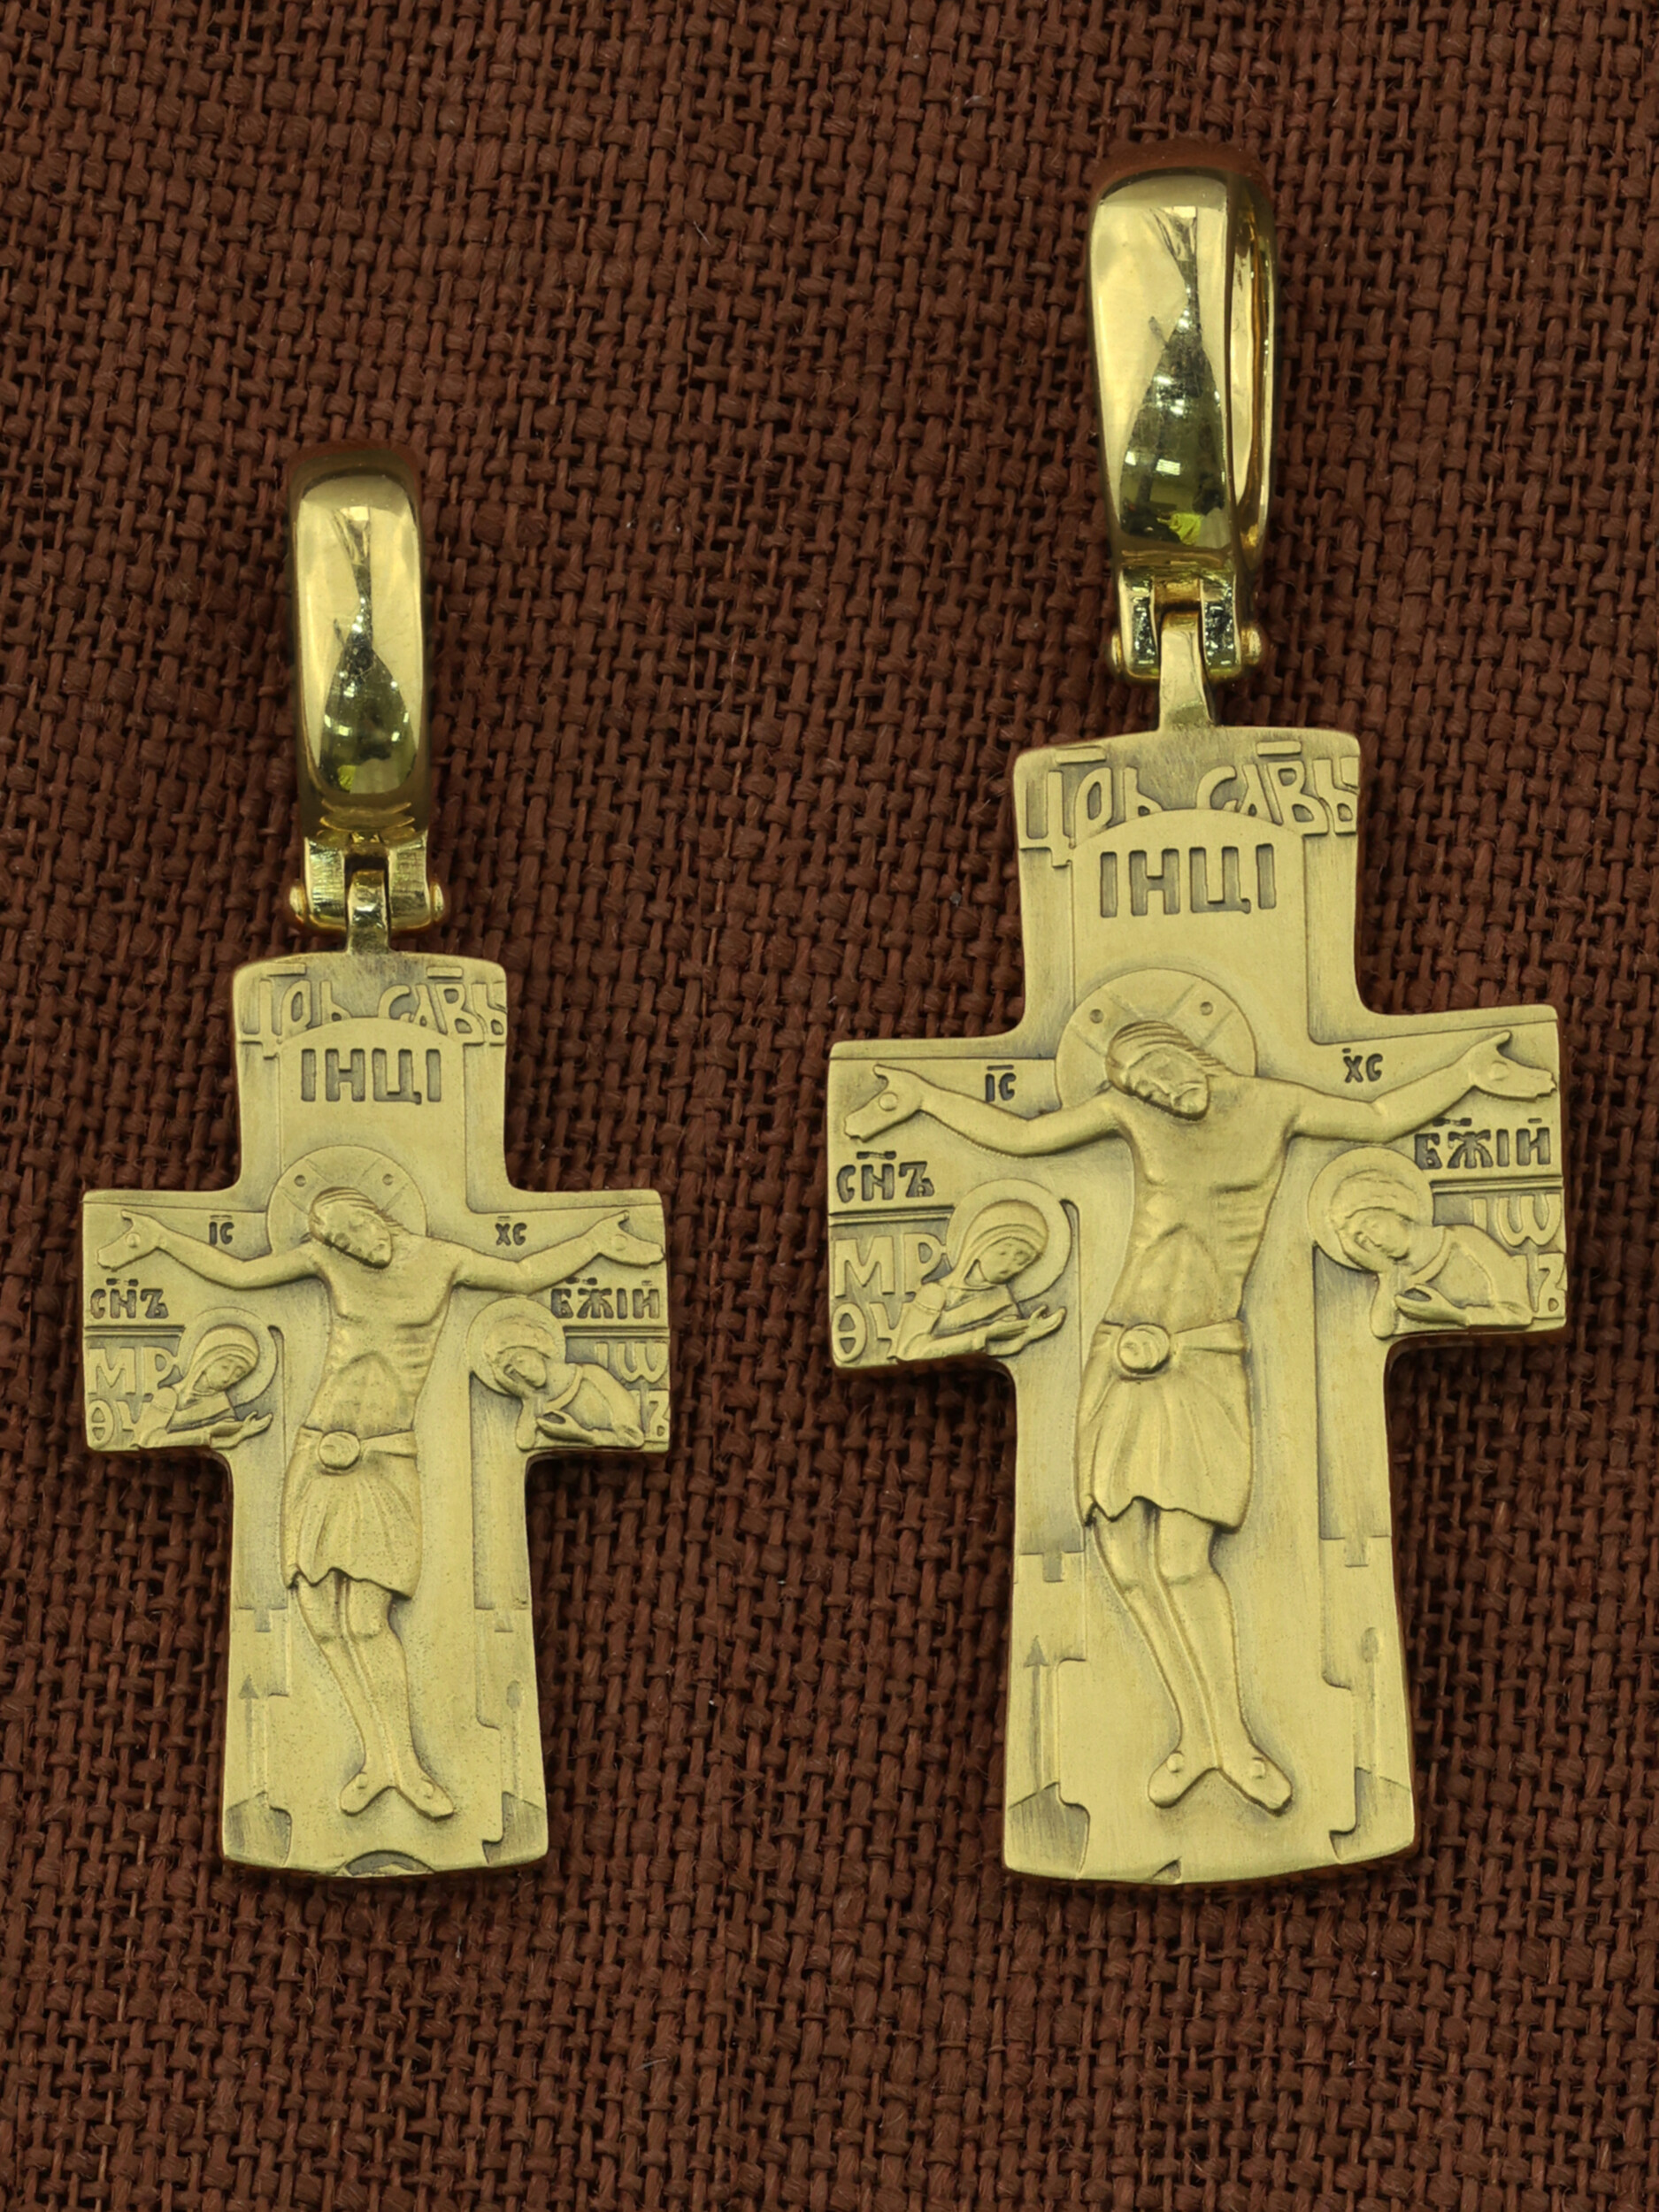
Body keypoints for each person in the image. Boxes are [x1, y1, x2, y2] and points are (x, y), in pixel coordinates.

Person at [847, 1021, 1554, 1813]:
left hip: (1204, 1353)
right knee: (1123, 1562)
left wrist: (1467, 1073)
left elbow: (1382, 1114)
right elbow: (1020, 1136)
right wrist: (925, 1098)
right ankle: (1195, 1738)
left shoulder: (1273, 1105)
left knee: (1182, 1560)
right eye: (1139, 1085)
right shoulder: (1128, 1113)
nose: (1156, 1090)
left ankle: (1235, 1741)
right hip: (1121, 1351)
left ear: (1189, 1050)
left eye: (1157, 1069)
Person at [96, 1189, 659, 1819]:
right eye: (337, 1241)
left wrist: (595, 1243)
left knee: (366, 1618)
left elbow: (526, 1272)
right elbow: (239, 1273)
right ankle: (376, 1760)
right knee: (321, 1618)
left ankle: (408, 1766)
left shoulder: (442, 1261)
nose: (352, 1247)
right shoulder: (328, 1262)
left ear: (372, 1213)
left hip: (385, 1457)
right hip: (318, 1450)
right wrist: (162, 1239)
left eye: (352, 1231)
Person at [1325, 1164, 1532, 1337]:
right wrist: (1385, 1273)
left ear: (1396, 1209)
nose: (1375, 1241)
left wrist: (1455, 1315)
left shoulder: (1465, 1241)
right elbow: (1381, 1331)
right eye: (1362, 1239)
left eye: (1374, 1225)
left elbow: (1520, 1315)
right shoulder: (1398, 1275)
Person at [892, 1194, 1064, 1362]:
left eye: (1021, 1260)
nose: (1008, 1266)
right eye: (1002, 1252)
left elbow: (997, 1349)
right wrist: (984, 1334)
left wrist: (1027, 1335)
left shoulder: (1003, 1299)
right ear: (978, 1247)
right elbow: (910, 1351)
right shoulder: (936, 1293)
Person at [472, 1296, 646, 1449]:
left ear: (537, 1348)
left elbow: (634, 1438)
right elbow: (524, 1443)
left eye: (520, 1360)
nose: (520, 1373)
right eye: (511, 1372)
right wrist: (526, 1397)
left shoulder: (592, 1376)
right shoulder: (538, 1402)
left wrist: (581, 1435)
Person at [134, 1323, 271, 1452]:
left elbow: (218, 1444)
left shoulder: (222, 1406)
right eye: (224, 1367)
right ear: (206, 1361)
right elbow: (149, 1442)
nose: (228, 1378)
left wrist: (241, 1434)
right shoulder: (169, 1396)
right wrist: (209, 1431)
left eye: (238, 1374)